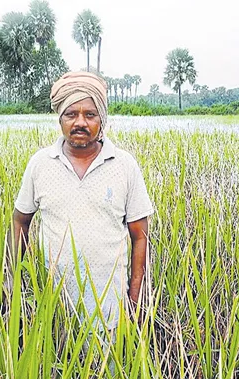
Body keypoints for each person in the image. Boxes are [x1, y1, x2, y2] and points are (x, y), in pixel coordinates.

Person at [9, 71, 154, 330]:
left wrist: (135, 299)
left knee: (111, 369)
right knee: (52, 367)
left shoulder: (124, 165)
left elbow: (140, 236)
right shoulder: (40, 164)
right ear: (60, 118)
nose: (80, 122)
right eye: (70, 114)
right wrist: (15, 281)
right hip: (52, 308)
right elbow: (21, 221)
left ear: (102, 119)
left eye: (90, 114)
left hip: (111, 310)